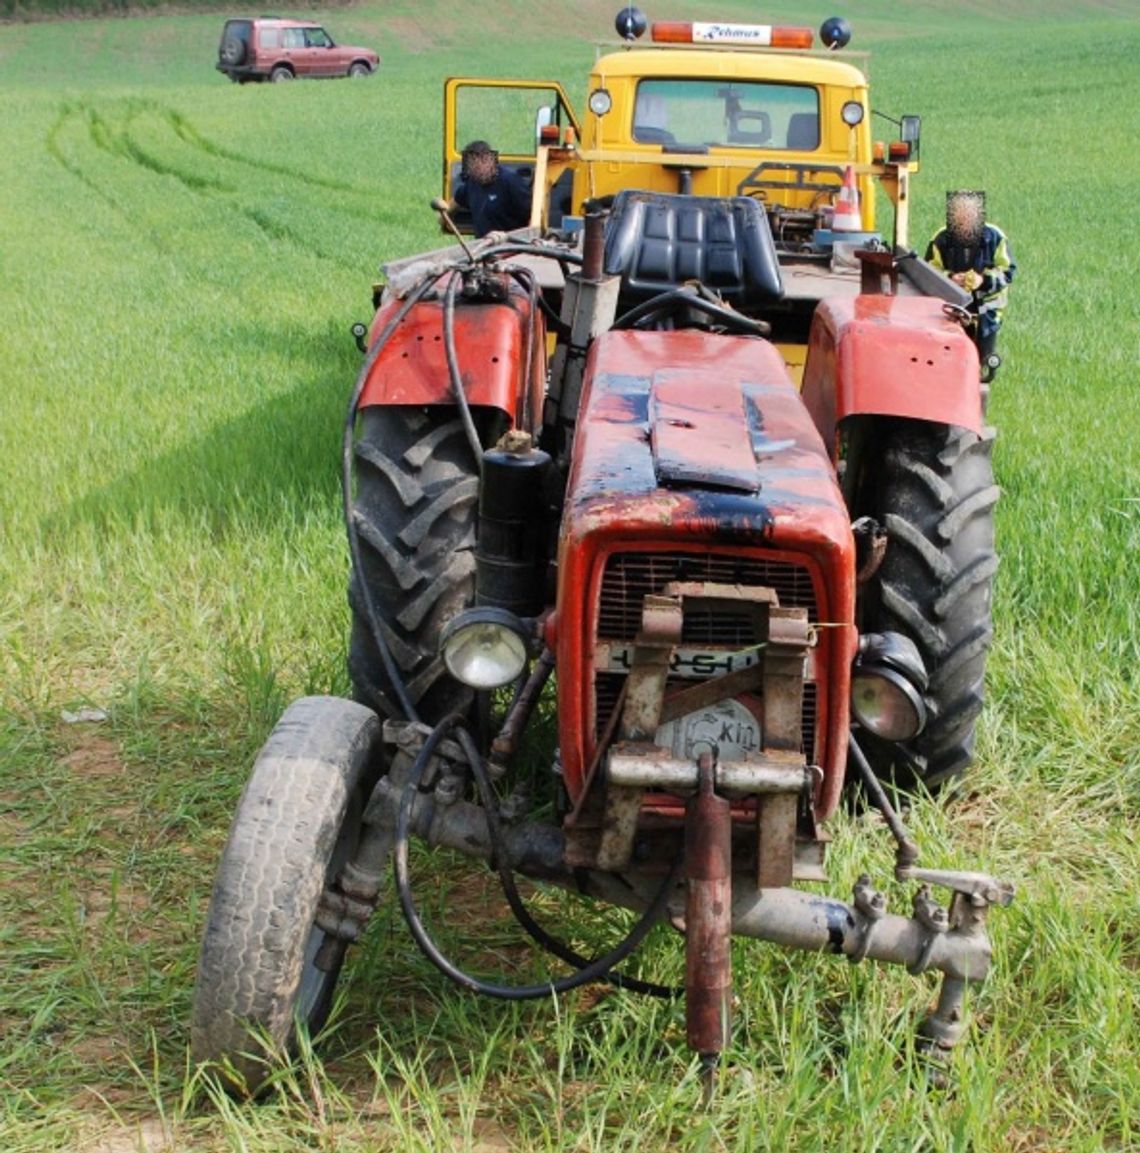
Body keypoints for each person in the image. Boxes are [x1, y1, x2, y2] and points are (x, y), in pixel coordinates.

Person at [925, 190, 1016, 374]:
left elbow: (1007, 271)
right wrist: (950, 279)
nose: (964, 221)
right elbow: (929, 273)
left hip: (987, 313)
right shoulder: (941, 239)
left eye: (968, 216)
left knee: (982, 361)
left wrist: (983, 280)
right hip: (951, 312)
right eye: (960, 216)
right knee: (951, 363)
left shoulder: (995, 237)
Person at [452, 140, 533, 238]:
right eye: (471, 167)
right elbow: (457, 199)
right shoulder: (472, 184)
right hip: (483, 248)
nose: (473, 171)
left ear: (489, 160)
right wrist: (444, 215)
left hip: (510, 247)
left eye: (477, 166)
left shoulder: (510, 182)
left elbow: (532, 217)